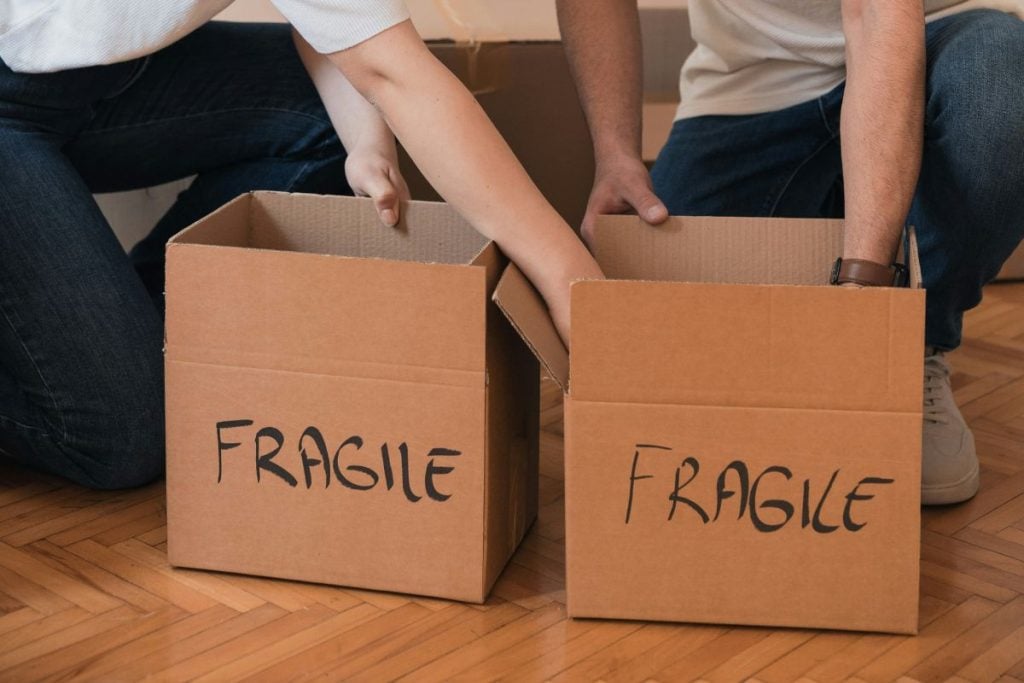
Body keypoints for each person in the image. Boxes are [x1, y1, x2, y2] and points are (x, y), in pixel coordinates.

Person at [0, 1, 603, 490]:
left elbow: (337, 27)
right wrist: (570, 277)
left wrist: (368, 145)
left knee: (328, 125)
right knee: (120, 438)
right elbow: (394, 74)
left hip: (105, 76)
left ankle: (100, 336)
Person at [556, 0, 1024, 505]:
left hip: (935, 42)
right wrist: (615, 153)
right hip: (752, 81)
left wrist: (870, 323)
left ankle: (915, 343)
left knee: (1000, 93)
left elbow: (878, 13)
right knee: (663, 313)